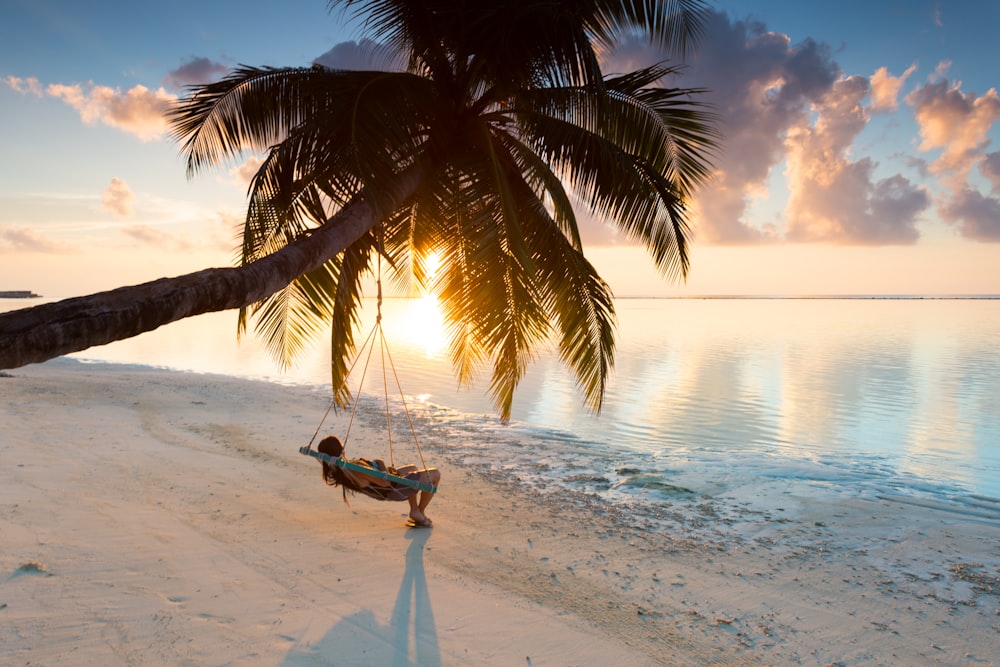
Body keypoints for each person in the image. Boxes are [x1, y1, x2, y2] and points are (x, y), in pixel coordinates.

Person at [316, 435, 441, 527]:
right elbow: (385, 482)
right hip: (394, 489)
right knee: (435, 474)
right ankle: (420, 511)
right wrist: (380, 463)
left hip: (387, 488)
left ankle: (415, 510)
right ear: (340, 449)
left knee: (412, 468)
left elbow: (321, 458)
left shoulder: (338, 469)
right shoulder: (356, 470)